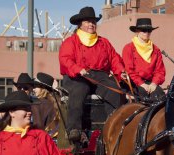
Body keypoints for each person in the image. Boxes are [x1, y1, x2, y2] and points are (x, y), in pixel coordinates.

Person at [59, 6, 127, 143]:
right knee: (79, 89)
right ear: (80, 24)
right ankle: (74, 130)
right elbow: (65, 59)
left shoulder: (104, 42)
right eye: (87, 21)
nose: (91, 24)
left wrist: (121, 72)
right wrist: (78, 69)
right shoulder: (70, 41)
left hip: (99, 76)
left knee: (115, 92)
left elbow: (114, 59)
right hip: (77, 76)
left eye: (93, 22)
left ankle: (113, 127)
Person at [122, 18, 166, 101]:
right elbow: (129, 70)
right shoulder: (128, 48)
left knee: (161, 96)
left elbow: (160, 71)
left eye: (149, 31)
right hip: (134, 83)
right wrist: (142, 84)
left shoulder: (156, 50)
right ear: (137, 31)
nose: (147, 33)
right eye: (144, 30)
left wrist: (154, 83)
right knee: (144, 97)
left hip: (151, 83)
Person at [32, 72, 60, 138]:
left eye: (36, 86)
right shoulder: (55, 102)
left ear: (43, 88)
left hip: (43, 140)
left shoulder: (38, 104)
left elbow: (37, 128)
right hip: (56, 141)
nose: (33, 89)